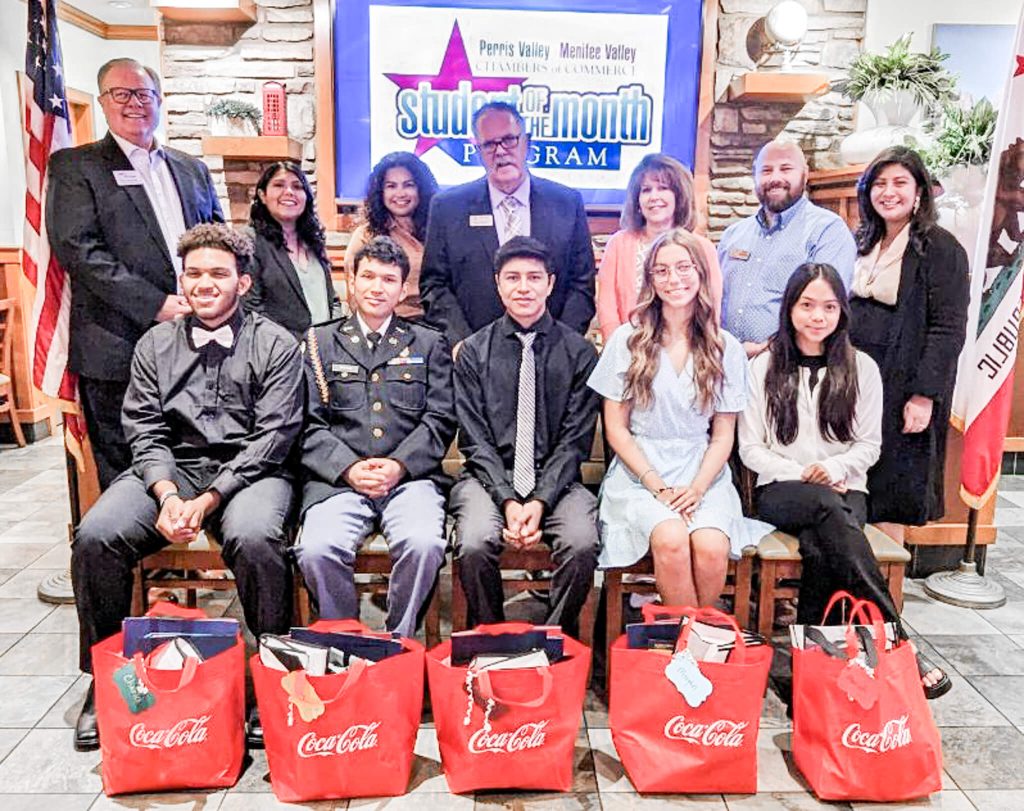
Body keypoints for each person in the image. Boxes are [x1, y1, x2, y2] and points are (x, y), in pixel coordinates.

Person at [70, 224, 304, 751]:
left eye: (218, 273)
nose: (204, 283)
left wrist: (209, 498)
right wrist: (168, 492)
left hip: (249, 472)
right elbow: (144, 427)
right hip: (171, 469)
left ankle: (271, 674)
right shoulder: (154, 342)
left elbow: (274, 436)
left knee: (257, 539)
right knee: (95, 535)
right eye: (194, 273)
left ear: (242, 283)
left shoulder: (276, 344)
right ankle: (107, 680)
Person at [738, 261, 951, 698]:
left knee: (824, 542)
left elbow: (869, 446)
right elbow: (750, 449)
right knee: (827, 510)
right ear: (790, 309)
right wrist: (805, 473)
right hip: (781, 491)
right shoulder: (763, 369)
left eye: (829, 307)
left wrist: (833, 469)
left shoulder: (862, 368)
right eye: (807, 305)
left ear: (842, 312)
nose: (818, 316)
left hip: (846, 489)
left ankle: (809, 678)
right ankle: (896, 636)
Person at [46, 57, 223, 489]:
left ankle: (182, 553)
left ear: (159, 100)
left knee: (189, 459)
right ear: (103, 102)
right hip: (117, 346)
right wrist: (156, 304)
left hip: (193, 343)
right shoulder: (76, 166)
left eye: (143, 94)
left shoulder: (191, 168)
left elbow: (219, 241)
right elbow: (80, 251)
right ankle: (141, 557)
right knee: (129, 475)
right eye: (120, 94)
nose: (133, 103)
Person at [589, 228, 764, 606]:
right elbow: (616, 430)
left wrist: (698, 488)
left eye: (684, 267)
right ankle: (690, 650)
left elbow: (722, 435)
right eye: (662, 271)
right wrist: (656, 485)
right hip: (640, 472)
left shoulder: (725, 346)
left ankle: (692, 646)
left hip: (702, 471)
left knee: (712, 547)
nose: (674, 279)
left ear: (700, 273)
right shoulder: (627, 340)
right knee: (670, 539)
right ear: (650, 280)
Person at [294, 236, 456, 637]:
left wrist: (400, 465)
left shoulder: (428, 342)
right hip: (338, 482)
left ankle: (396, 642)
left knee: (424, 545)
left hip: (410, 479)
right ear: (351, 281)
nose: (376, 287)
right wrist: (347, 468)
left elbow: (440, 418)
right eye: (367, 276)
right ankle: (344, 636)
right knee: (316, 549)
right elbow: (306, 423)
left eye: (388, 279)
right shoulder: (319, 342)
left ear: (403, 289)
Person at [451, 236, 600, 636]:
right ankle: (491, 638)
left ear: (550, 283)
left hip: (558, 480)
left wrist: (539, 499)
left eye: (534, 277)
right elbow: (474, 439)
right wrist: (506, 497)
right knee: (474, 541)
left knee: (582, 541)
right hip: (487, 478)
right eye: (513, 277)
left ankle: (551, 640)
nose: (524, 287)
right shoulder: (472, 352)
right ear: (497, 283)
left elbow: (575, 441)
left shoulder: (580, 354)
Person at [849, 145, 969, 540]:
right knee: (855, 481)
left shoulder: (941, 248)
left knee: (891, 489)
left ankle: (885, 595)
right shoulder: (862, 239)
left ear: (920, 190)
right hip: (856, 381)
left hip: (902, 385)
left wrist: (923, 395)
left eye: (900, 182)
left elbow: (948, 329)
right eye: (879, 183)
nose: (889, 192)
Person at [420, 102, 596, 347]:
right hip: (474, 359)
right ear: (477, 149)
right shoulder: (448, 208)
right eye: (489, 144)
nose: (500, 151)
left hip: (552, 357)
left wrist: (561, 346)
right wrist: (464, 345)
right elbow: (434, 285)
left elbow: (582, 283)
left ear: (527, 142)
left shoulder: (566, 203)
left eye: (509, 140)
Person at [717, 140, 857, 358]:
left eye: (785, 169)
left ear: (805, 174)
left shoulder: (827, 232)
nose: (775, 178)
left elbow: (826, 310)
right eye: (766, 170)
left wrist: (766, 351)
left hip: (787, 368)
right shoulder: (732, 235)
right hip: (725, 366)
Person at [597, 153, 723, 341]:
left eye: (663, 188)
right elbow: (607, 308)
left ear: (679, 196)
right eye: (646, 190)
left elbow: (710, 309)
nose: (653, 197)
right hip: (629, 350)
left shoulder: (703, 248)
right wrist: (617, 350)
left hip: (687, 350)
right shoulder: (619, 244)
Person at [246, 161, 342, 336]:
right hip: (280, 353)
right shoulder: (251, 242)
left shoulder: (313, 240)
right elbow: (252, 309)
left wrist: (333, 338)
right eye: (279, 185)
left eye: (297, 186)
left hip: (324, 350)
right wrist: (290, 347)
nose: (289, 192)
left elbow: (332, 300)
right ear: (262, 195)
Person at [344, 152, 439, 318]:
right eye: (391, 186)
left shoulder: (439, 228)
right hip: (388, 328)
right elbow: (356, 299)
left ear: (421, 189)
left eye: (408, 185)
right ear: (380, 192)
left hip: (438, 325)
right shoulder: (366, 236)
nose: (400, 193)